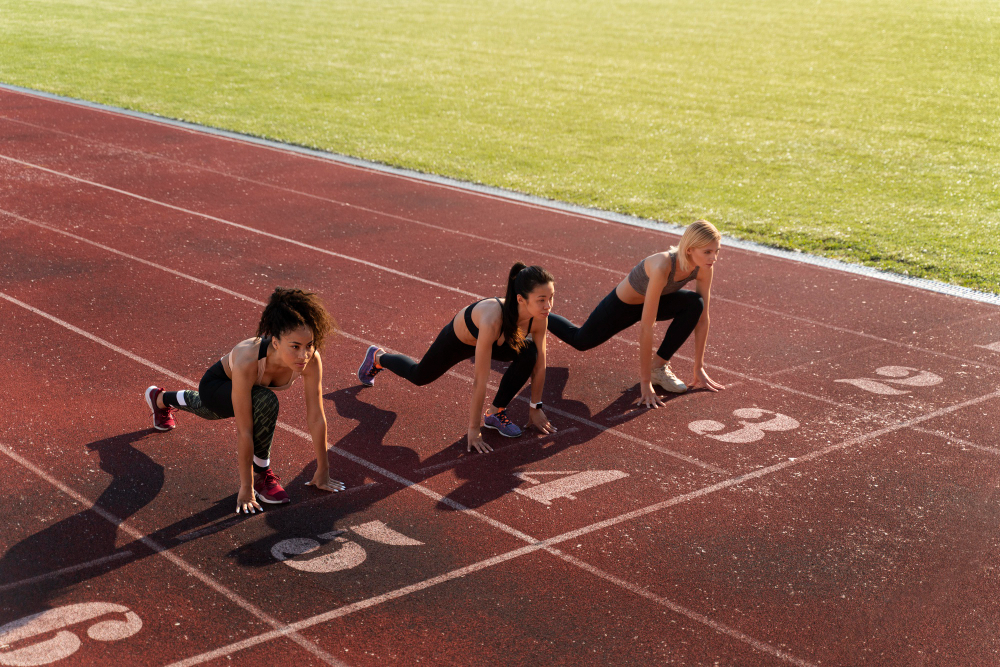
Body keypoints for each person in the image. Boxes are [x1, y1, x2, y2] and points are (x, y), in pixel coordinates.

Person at [144, 287, 346, 514]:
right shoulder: (248, 358)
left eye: (309, 345)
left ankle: (160, 398)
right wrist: (247, 487)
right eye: (295, 347)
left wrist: (323, 470)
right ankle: (262, 477)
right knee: (254, 402)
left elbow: (316, 417)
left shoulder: (311, 359)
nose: (303, 355)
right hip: (216, 386)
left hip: (250, 390)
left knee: (243, 402)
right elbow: (244, 430)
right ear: (276, 342)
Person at [357, 263, 556, 453]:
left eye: (551, 297)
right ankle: (378, 357)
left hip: (499, 341)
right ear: (521, 299)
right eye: (541, 299)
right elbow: (480, 380)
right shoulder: (493, 318)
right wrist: (473, 429)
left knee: (531, 354)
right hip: (459, 341)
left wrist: (535, 407)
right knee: (419, 376)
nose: (548, 305)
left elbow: (540, 366)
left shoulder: (539, 319)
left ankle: (495, 412)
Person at [547, 219, 726, 408]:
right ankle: (533, 315)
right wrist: (645, 382)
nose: (713, 257)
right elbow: (647, 327)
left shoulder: (704, 268)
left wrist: (698, 367)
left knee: (695, 304)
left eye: (717, 251)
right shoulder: (663, 265)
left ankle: (658, 367)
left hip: (656, 301)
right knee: (580, 341)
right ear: (689, 249)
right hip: (623, 305)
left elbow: (703, 319)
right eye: (707, 252)